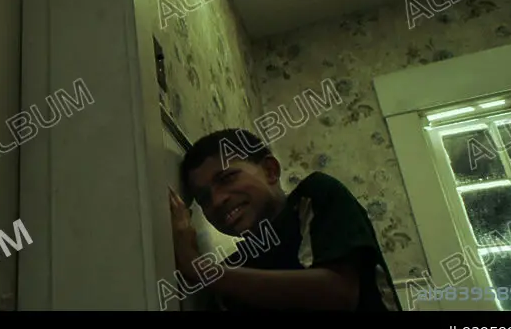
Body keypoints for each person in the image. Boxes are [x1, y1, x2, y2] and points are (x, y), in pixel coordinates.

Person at [168, 128, 401, 311]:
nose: (217, 200)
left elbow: (339, 294)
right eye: (204, 198)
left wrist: (200, 269)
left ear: (270, 171)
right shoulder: (233, 269)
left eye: (227, 178)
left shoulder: (312, 197)